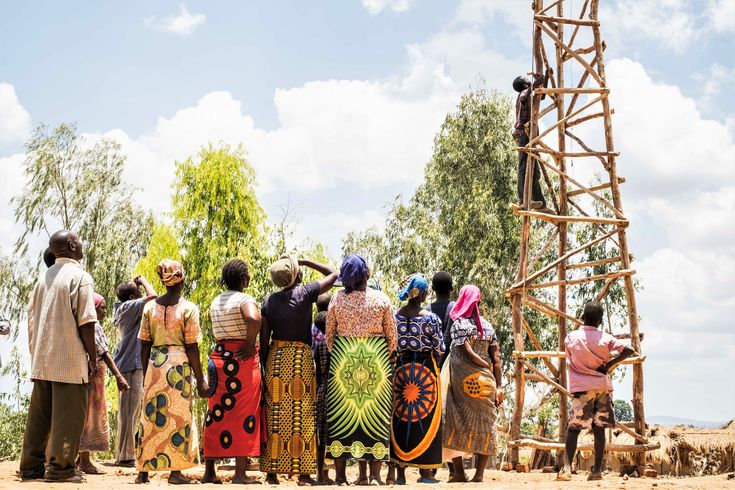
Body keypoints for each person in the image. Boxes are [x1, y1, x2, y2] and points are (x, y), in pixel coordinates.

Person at [20, 230, 98, 483]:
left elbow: (32, 320)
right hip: (69, 359)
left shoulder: (44, 278)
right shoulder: (80, 277)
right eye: (80, 240)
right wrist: (93, 358)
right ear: (73, 245)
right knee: (69, 418)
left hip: (43, 358)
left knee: (39, 418)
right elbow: (86, 322)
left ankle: (31, 468)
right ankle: (61, 470)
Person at [259, 257, 338, 485]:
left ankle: (272, 473)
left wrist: (265, 368)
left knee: (274, 417)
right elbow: (334, 273)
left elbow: (264, 340)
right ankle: (304, 475)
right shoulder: (305, 293)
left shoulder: (269, 301)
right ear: (296, 274)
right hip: (299, 362)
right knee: (302, 416)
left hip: (276, 359)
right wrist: (305, 261)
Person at [325, 254, 397, 486]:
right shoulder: (382, 299)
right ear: (367, 274)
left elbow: (329, 337)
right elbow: (392, 338)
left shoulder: (336, 300)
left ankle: (340, 477)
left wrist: (345, 349)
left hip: (343, 362)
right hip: (376, 362)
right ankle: (375, 477)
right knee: (376, 415)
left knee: (340, 416)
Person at [135, 259, 207, 485]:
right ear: (182, 278)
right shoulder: (189, 308)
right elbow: (192, 346)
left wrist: (146, 375)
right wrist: (201, 379)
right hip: (179, 367)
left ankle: (143, 471)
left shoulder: (149, 308)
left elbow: (144, 345)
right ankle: (175, 472)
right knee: (178, 417)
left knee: (150, 417)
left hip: (155, 365)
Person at [557, 302, 637, 482]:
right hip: (602, 387)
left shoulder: (571, 337)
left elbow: (569, 357)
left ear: (582, 317)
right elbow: (629, 350)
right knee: (599, 428)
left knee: (574, 427)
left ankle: (567, 468)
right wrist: (608, 365)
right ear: (600, 321)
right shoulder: (606, 338)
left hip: (582, 388)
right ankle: (597, 470)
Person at [202, 259, 262, 485]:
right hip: (240, 361)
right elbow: (254, 318)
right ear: (244, 279)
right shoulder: (245, 299)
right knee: (244, 412)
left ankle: (209, 472)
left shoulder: (216, 300)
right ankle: (239, 473)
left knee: (216, 413)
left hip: (219, 357)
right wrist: (249, 342)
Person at [442, 285, 503, 483]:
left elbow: (467, 352)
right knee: (486, 423)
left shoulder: (459, 324)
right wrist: (499, 386)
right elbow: (497, 360)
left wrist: (482, 364)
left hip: (463, 384)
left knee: (455, 421)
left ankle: (459, 472)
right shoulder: (488, 326)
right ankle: (479, 474)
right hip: (486, 384)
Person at [388, 274, 445, 485]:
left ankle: (400, 474)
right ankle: (426, 474)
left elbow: (391, 346)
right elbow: (439, 348)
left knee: (400, 418)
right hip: (425, 371)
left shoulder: (394, 317)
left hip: (401, 371)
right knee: (427, 417)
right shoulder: (431, 319)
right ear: (421, 294)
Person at [78, 293, 131, 474]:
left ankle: (80, 459)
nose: (105, 310)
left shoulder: (84, 324)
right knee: (91, 416)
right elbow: (104, 353)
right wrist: (119, 376)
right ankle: (85, 461)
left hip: (88, 373)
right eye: (102, 307)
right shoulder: (94, 327)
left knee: (85, 414)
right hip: (94, 376)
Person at [113, 276, 158, 467]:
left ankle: (125, 453)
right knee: (129, 411)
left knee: (129, 411)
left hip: (130, 363)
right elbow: (153, 296)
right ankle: (126, 456)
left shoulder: (124, 308)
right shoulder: (129, 307)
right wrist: (143, 280)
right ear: (132, 296)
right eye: (137, 290)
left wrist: (135, 285)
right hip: (131, 364)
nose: (140, 290)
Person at [513, 28, 553, 215]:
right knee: (524, 166)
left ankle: (537, 200)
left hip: (529, 133)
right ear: (524, 84)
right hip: (523, 134)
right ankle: (523, 198)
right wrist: (540, 80)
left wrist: (545, 80)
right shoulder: (523, 94)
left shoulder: (529, 95)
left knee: (533, 168)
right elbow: (530, 93)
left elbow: (541, 95)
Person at [311, 294, 334, 485]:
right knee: (334, 433)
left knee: (320, 434)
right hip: (338, 392)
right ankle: (335, 475)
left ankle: (319, 474)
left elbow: (316, 370)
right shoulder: (339, 342)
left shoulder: (317, 342)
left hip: (321, 389)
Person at [428, 271, 455, 368]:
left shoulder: (425, 312)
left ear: (433, 288)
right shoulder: (457, 310)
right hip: (451, 367)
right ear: (451, 288)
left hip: (430, 367)